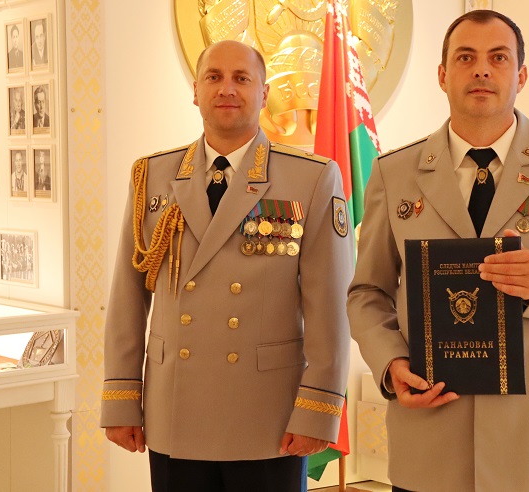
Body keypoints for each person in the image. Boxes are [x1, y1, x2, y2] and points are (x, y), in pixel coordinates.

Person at [347, 10, 529, 492]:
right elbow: (367, 293)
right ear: (443, 75)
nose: (482, 70)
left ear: (521, 76)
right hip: (430, 442)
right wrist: (390, 364)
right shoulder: (394, 172)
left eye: (498, 58)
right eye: (466, 58)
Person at [101, 40, 353, 492]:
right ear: (195, 91)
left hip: (267, 416)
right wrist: (121, 396)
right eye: (214, 77)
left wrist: (319, 407)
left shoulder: (311, 178)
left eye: (242, 78)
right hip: (175, 409)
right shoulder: (154, 176)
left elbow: (329, 305)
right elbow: (128, 295)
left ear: (264, 93)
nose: (227, 89)